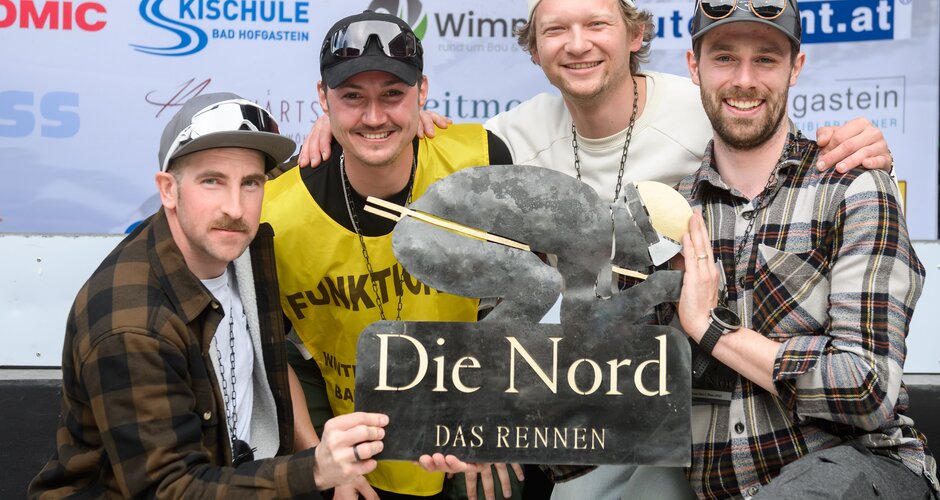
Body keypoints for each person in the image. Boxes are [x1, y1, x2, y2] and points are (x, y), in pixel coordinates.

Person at [297, 1, 896, 497]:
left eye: (597, 24)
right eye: (556, 29)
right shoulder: (503, 141)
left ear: (637, 35)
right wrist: (342, 131)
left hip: (792, 435)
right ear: (533, 49)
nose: (577, 44)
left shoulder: (717, 108)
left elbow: (771, 126)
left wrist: (857, 145)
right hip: (657, 410)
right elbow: (394, 135)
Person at [28, 92, 390, 498]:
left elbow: (368, 148)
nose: (235, 207)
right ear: (168, 189)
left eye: (251, 183)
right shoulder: (132, 323)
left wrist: (375, 126)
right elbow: (168, 489)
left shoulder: (238, 245)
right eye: (212, 181)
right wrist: (317, 469)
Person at [675, 1, 938, 498]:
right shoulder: (672, 216)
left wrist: (710, 329)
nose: (745, 79)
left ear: (796, 67)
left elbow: (865, 389)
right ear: (695, 67)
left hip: (863, 467)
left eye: (767, 59)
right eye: (725, 57)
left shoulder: (853, 187)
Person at [259, 11, 516, 500]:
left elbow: (537, 299)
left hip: (468, 421)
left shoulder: (479, 160)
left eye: (392, 95)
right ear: (323, 99)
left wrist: (502, 416)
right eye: (352, 97)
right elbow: (268, 350)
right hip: (349, 437)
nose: (373, 117)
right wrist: (322, 461)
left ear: (422, 93)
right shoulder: (276, 208)